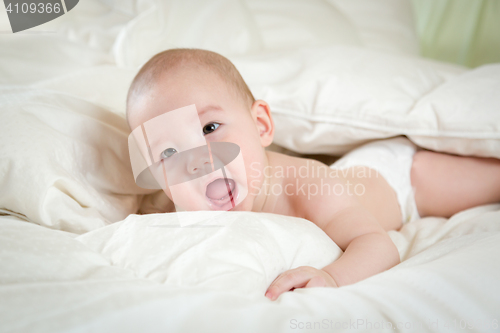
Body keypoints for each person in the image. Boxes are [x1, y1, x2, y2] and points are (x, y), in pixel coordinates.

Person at [125, 48, 500, 301]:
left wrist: (334, 278)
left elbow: (376, 244)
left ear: (261, 125)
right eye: (168, 153)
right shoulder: (182, 208)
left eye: (209, 129)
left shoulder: (304, 185)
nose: (196, 161)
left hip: (400, 180)